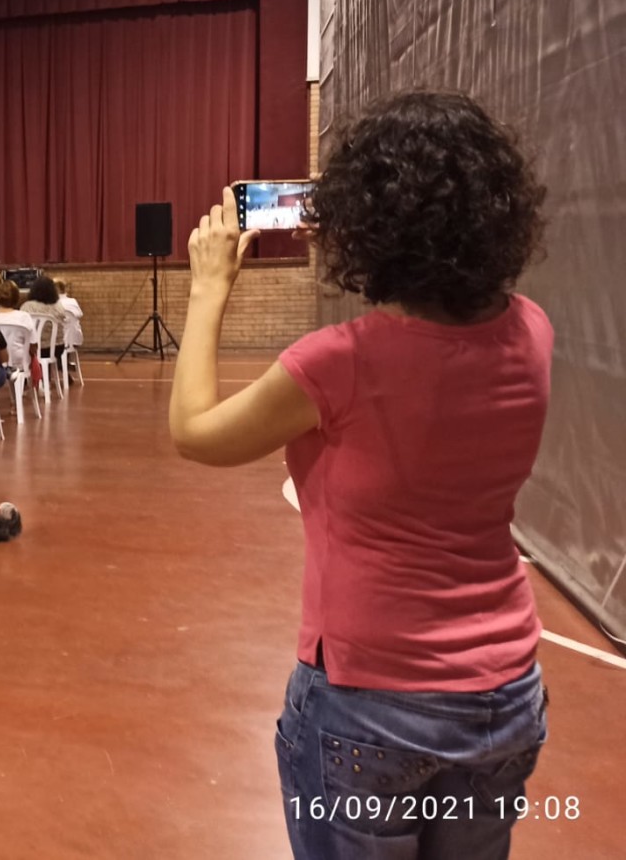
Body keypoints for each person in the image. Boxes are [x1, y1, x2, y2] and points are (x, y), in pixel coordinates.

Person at [167, 92, 552, 860]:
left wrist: (208, 290)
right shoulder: (531, 330)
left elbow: (195, 433)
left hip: (368, 702)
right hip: (507, 692)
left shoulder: (337, 363)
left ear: (364, 222)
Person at [54, 278, 85, 348]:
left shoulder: (53, 304)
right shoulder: (73, 301)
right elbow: (80, 314)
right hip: (75, 339)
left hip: (58, 341)